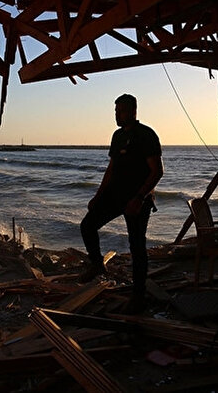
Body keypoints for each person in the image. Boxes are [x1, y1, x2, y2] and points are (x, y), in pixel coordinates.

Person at [78, 94, 163, 314]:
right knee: (87, 225)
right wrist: (98, 196)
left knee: (137, 246)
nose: (117, 114)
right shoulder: (117, 136)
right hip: (115, 195)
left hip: (138, 199)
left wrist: (139, 198)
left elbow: (157, 171)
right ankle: (97, 264)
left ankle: (138, 295)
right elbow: (112, 169)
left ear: (133, 111)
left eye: (121, 110)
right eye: (115, 110)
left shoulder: (146, 135)